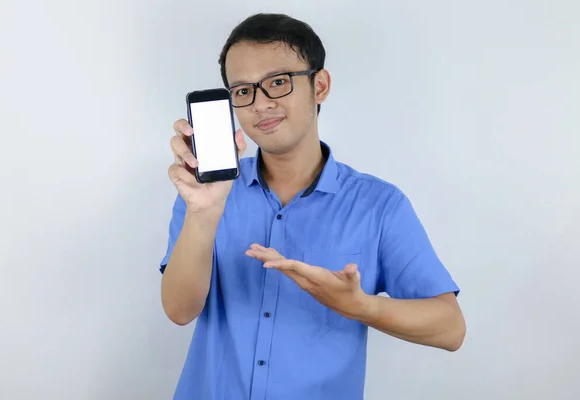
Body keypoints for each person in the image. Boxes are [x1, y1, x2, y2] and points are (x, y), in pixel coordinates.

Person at [160, 13, 465, 400]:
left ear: (319, 86)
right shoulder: (205, 195)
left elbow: (451, 329)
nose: (260, 104)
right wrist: (203, 214)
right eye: (242, 91)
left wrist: (360, 306)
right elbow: (179, 310)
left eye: (277, 82)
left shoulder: (379, 205)